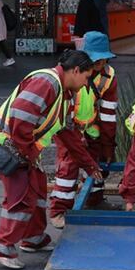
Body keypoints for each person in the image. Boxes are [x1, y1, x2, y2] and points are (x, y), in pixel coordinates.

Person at [0, 50, 101, 270]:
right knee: (22, 197)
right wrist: (26, 153)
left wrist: (89, 165)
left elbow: (68, 135)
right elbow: (20, 118)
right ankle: (0, 246)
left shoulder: (64, 94)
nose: (86, 84)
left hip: (20, 149)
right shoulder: (47, 82)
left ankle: (34, 238)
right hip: (8, 147)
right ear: (75, 71)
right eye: (86, 77)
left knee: (37, 189)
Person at [49, 31, 121, 227]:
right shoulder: (72, 73)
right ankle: (59, 210)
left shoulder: (108, 77)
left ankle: (94, 201)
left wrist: (108, 145)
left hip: (92, 128)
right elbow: (64, 112)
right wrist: (74, 139)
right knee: (68, 167)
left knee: (97, 163)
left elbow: (108, 114)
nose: (100, 65)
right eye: (96, 61)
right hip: (68, 127)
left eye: (103, 60)